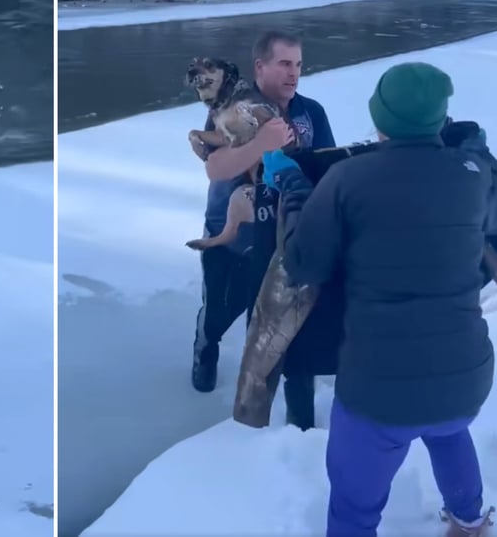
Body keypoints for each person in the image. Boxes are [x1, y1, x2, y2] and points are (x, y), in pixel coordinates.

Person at [262, 61, 495, 537]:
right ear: (439, 118)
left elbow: (304, 262)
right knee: (448, 429)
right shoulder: (473, 174)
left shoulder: (348, 180)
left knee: (353, 507)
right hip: (465, 374)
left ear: (381, 117)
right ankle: (470, 522)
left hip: (379, 386)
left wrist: (289, 183)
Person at [190, 31, 337, 433]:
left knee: (293, 333)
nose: (294, 74)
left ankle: (299, 419)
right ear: (260, 67)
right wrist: (265, 143)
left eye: (299, 65)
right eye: (284, 64)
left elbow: (325, 168)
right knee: (219, 312)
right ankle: (206, 347)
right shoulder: (232, 106)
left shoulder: (311, 113)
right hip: (233, 234)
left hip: (286, 240)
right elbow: (216, 168)